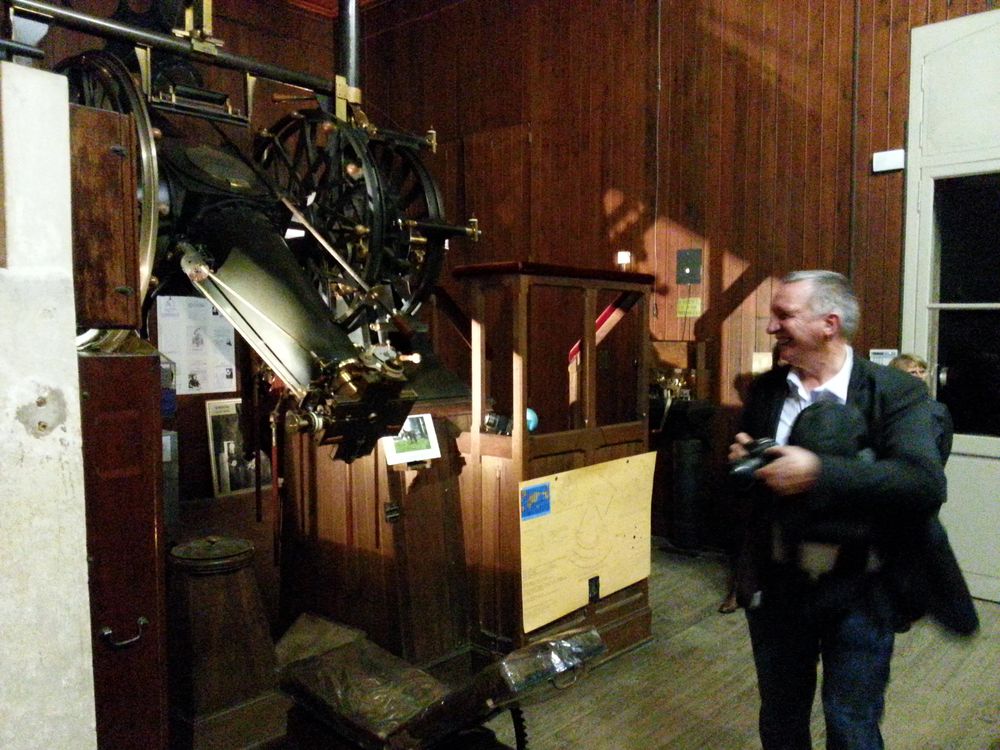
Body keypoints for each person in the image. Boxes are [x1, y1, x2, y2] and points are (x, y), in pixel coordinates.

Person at [729, 270, 977, 750]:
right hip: (779, 587)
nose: (771, 327)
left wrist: (818, 472)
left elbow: (924, 483)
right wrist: (744, 462)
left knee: (851, 722)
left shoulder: (895, 391)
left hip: (862, 589)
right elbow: (753, 490)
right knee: (780, 716)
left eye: (783, 315)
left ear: (829, 323)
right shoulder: (766, 390)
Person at [889, 353, 953, 463]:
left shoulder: (938, 411)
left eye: (922, 372)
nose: (919, 376)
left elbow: (943, 451)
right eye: (913, 372)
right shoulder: (885, 408)